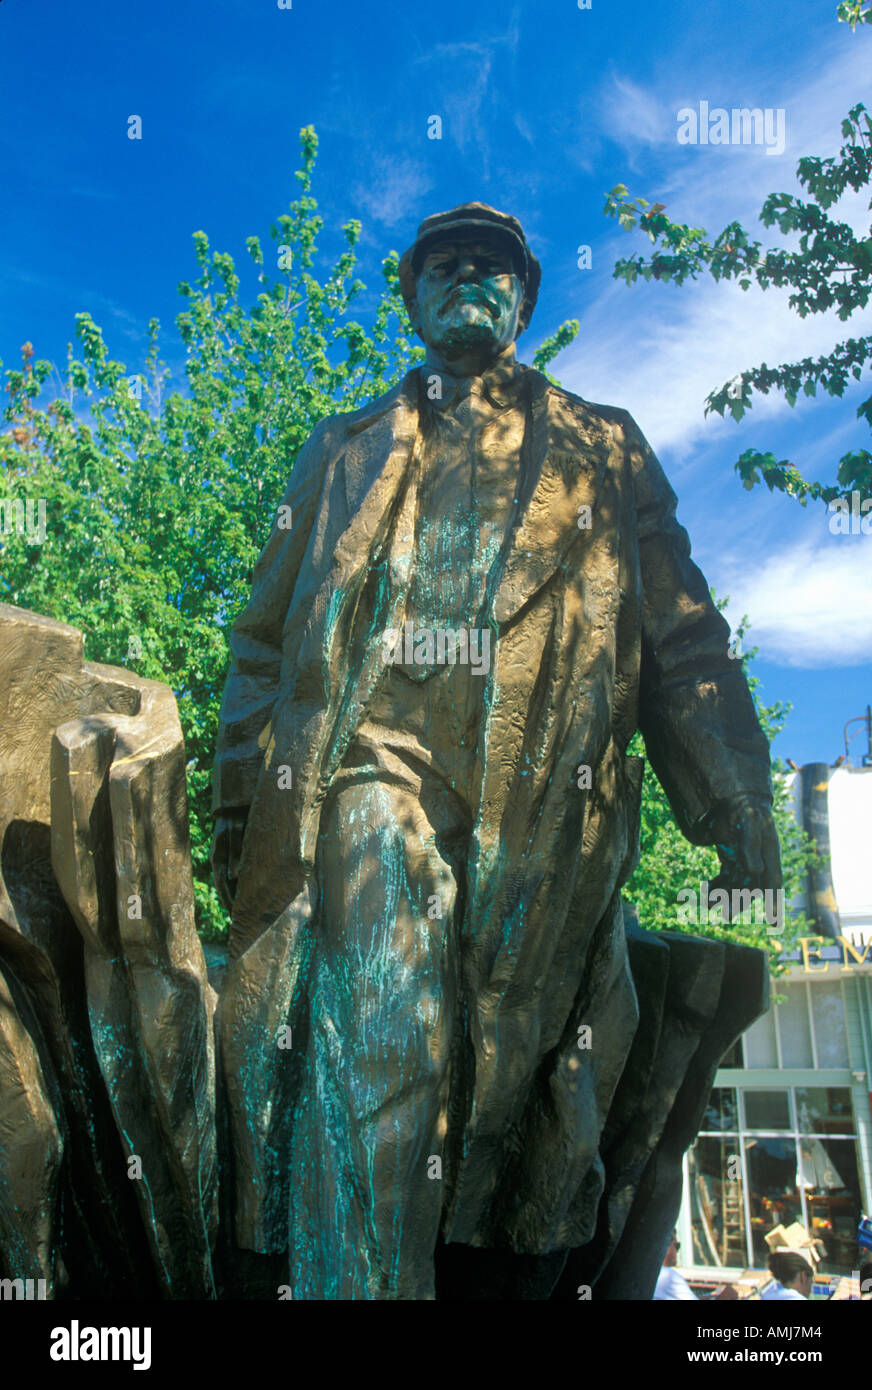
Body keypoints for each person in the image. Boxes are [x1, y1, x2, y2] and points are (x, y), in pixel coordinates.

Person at [212, 202, 781, 1300]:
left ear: (523, 297)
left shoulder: (603, 446)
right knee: (380, 1025)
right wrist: (247, 792)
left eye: (491, 266)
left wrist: (731, 801)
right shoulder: (341, 449)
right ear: (413, 295)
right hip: (378, 767)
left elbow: (682, 640)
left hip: (545, 811)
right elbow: (263, 639)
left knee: (524, 1108)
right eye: (444, 263)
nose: (468, 277)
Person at [654, 1231, 738, 1300]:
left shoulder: (652, 1274)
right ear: (666, 1248)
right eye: (677, 1246)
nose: (677, 1251)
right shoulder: (669, 1276)